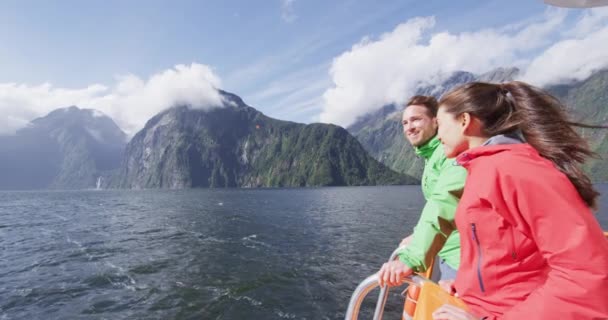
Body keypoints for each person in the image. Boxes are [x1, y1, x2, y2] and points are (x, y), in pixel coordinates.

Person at [428, 81, 608, 319]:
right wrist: (466, 287)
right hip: (484, 308)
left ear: (464, 121)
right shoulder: (484, 168)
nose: (437, 134)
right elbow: (503, 251)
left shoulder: (514, 169)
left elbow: (585, 272)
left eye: (440, 125)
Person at [377, 95, 467, 285]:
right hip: (449, 252)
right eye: (404, 123)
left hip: (462, 260)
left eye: (416, 119)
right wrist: (417, 236)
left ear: (436, 122)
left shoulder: (447, 152)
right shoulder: (433, 155)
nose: (409, 127)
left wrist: (411, 258)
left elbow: (444, 202)